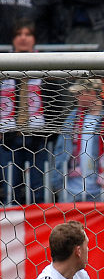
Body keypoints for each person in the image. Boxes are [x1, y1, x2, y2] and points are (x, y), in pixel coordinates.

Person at [52, 78, 104, 202]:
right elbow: (61, 151)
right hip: (71, 188)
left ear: (92, 92)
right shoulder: (73, 117)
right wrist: (58, 182)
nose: (76, 97)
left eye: (79, 93)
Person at [0, 22, 50, 205]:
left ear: (34, 39)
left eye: (28, 34)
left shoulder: (48, 67)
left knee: (38, 191)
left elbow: (56, 101)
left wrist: (48, 132)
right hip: (8, 139)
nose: (23, 37)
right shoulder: (3, 66)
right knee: (9, 191)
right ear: (12, 40)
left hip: (38, 139)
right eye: (18, 33)